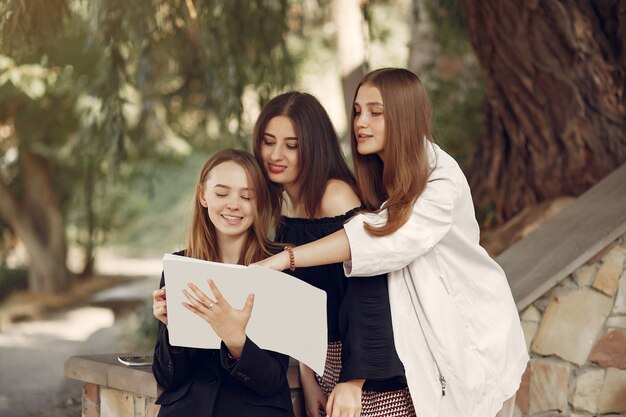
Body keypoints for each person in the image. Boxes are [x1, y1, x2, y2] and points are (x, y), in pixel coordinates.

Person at [255, 69, 529, 417]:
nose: (360, 123)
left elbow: (385, 240)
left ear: (404, 116)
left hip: (473, 340)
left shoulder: (440, 180)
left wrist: (285, 259)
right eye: (356, 111)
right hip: (417, 348)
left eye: (375, 112)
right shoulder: (378, 176)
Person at [252, 91, 415, 417]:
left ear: (313, 147)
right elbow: (298, 301)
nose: (276, 154)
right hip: (323, 361)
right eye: (268, 142)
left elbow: (371, 287)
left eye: (292, 145)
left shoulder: (336, 196)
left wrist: (356, 380)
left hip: (367, 368)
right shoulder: (284, 202)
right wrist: (306, 373)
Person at [151, 149, 295, 417]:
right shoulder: (179, 266)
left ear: (259, 202)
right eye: (221, 193)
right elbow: (166, 378)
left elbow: (272, 380)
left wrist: (235, 339)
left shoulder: (278, 268)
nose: (233, 204)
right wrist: (173, 330)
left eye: (247, 196)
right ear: (203, 196)